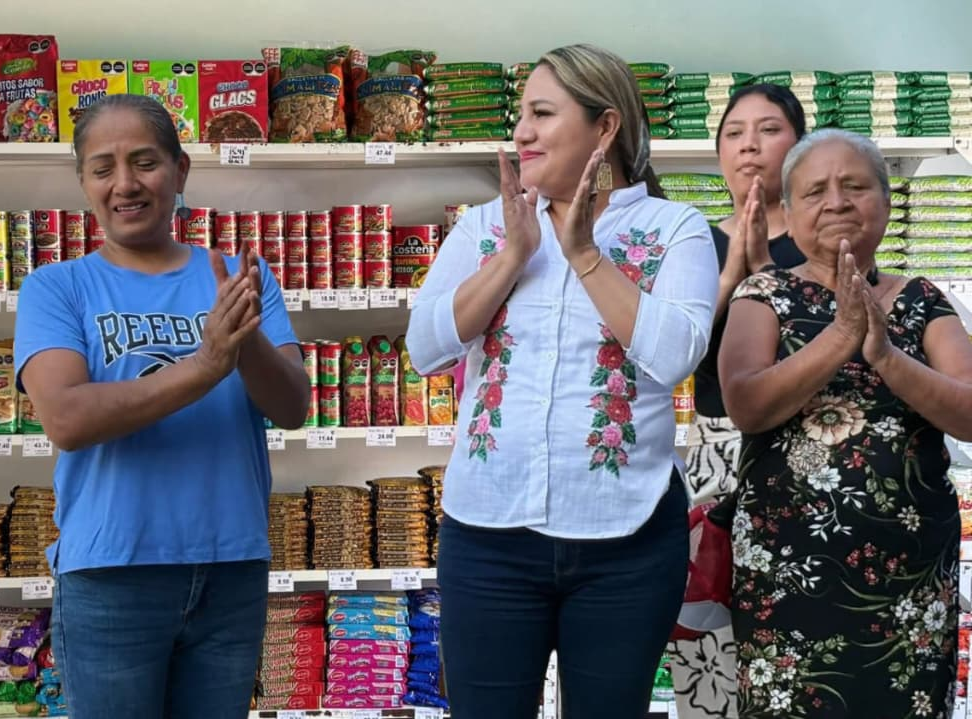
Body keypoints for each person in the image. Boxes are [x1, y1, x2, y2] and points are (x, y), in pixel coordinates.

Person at [406, 44, 719, 719]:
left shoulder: (675, 229)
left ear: (605, 128)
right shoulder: (487, 226)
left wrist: (581, 254)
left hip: (628, 544)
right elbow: (425, 347)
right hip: (487, 535)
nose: (521, 131)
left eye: (542, 113)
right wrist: (513, 255)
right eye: (520, 114)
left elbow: (674, 356)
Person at [14, 94, 309, 719]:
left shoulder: (238, 275)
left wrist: (244, 333)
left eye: (145, 162)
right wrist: (205, 364)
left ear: (180, 171)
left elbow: (292, 407)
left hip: (232, 566)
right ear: (84, 183)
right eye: (103, 167)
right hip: (111, 573)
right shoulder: (55, 288)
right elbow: (67, 418)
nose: (125, 183)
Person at [719, 129, 972, 718]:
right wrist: (840, 337)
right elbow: (746, 403)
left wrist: (886, 356)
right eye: (814, 191)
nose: (836, 201)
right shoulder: (766, 293)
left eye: (855, 186)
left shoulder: (922, 300)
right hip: (788, 569)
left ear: (885, 202)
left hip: (909, 576)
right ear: (792, 209)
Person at [669, 84, 808, 719]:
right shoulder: (691, 242)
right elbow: (672, 353)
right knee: (709, 642)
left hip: (807, 450)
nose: (749, 143)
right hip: (715, 452)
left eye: (769, 129)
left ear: (801, 145)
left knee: (803, 634)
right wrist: (733, 280)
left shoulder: (827, 240)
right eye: (734, 132)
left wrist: (771, 282)